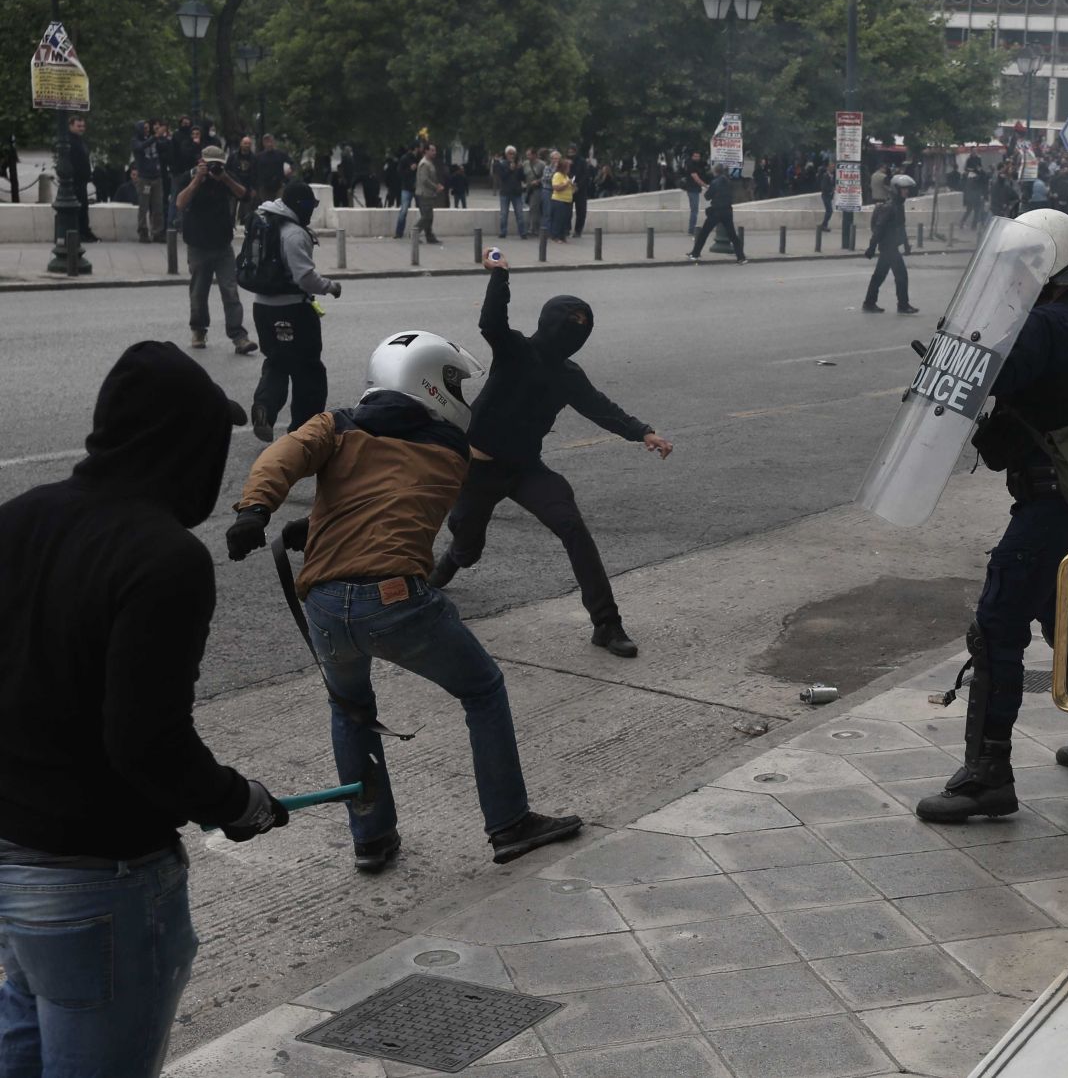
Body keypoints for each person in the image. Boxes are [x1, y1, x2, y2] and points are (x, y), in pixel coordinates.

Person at [0, 342, 290, 1076]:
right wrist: (238, 801)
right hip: (98, 878)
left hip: (10, 856)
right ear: (180, 445)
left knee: (26, 1034)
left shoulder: (16, 519)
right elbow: (145, 742)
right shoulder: (163, 558)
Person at [226, 329, 583, 871]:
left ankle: (371, 838)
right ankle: (510, 823)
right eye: (455, 385)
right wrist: (319, 519)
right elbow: (394, 496)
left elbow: (287, 455)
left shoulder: (336, 426)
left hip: (324, 605)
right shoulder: (448, 452)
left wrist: (257, 510)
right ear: (429, 384)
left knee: (351, 711)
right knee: (483, 689)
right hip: (396, 602)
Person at [915, 211, 1068, 821]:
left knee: (997, 624)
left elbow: (991, 375)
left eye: (1020, 267)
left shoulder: (1041, 325)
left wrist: (957, 348)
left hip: (1052, 497)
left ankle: (989, 774)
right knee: (1064, 611)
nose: (1011, 279)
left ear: (1044, 269)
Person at [429, 253, 675, 659]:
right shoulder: (515, 351)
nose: (574, 331)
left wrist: (644, 433)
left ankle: (607, 624)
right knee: (467, 545)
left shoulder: (569, 376)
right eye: (569, 322)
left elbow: (603, 409)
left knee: (572, 527)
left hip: (525, 470)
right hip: (478, 469)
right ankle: (450, 563)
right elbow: (491, 322)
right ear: (549, 321)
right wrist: (501, 276)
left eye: (582, 326)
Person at [245, 183, 342, 442]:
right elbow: (305, 278)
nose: (311, 211)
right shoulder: (294, 234)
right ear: (301, 206)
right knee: (308, 368)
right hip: (292, 310)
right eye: (310, 206)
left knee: (276, 361)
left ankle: (264, 406)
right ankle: (305, 430)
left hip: (262, 308)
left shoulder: (269, 225)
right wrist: (331, 287)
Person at [177, 144, 258, 355]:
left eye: (218, 165)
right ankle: (198, 330)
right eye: (210, 165)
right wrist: (197, 180)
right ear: (200, 162)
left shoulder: (224, 178)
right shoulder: (190, 176)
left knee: (230, 291)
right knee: (198, 293)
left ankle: (239, 337)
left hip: (223, 246)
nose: (214, 168)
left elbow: (245, 195)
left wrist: (225, 178)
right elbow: (179, 202)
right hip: (198, 245)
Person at [862, 173, 918, 315]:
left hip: (891, 246)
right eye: (903, 189)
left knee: (879, 276)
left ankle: (869, 303)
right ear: (896, 189)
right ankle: (903, 305)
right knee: (901, 276)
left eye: (907, 189)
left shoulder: (899, 206)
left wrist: (906, 245)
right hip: (888, 247)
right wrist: (871, 247)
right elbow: (879, 228)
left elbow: (901, 227)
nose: (906, 191)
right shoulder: (890, 207)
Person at [686, 164, 748, 263]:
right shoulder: (728, 182)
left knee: (704, 233)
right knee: (732, 235)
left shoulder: (715, 182)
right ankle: (741, 257)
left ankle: (695, 254)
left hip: (716, 211)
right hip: (727, 210)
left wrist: (708, 189)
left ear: (715, 171)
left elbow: (707, 196)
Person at [131, 119, 166, 242]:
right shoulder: (136, 140)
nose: (147, 130)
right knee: (143, 206)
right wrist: (155, 136)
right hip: (144, 178)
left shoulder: (153, 139)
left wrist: (163, 136)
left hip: (156, 176)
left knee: (158, 207)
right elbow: (140, 147)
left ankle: (157, 232)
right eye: (144, 128)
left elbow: (164, 147)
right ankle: (143, 231)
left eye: (147, 128)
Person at [66, 115, 98, 242]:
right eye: (78, 126)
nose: (81, 129)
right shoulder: (70, 141)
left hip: (82, 180)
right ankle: (80, 232)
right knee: (79, 208)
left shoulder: (79, 140)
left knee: (83, 207)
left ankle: (85, 231)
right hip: (75, 180)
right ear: (71, 126)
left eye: (83, 126)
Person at [495, 146, 527, 239]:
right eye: (510, 153)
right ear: (506, 154)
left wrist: (520, 169)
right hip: (505, 192)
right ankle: (503, 232)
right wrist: (510, 169)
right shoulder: (502, 164)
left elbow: (522, 178)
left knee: (520, 214)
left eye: (513, 153)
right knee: (504, 214)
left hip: (516, 192)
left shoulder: (518, 165)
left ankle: (522, 232)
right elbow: (502, 177)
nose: (511, 155)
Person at [414, 143, 443, 245]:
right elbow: (424, 180)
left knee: (429, 216)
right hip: (424, 194)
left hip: (429, 194)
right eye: (432, 150)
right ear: (426, 151)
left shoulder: (429, 163)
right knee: (426, 216)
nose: (434, 152)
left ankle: (429, 236)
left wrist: (437, 184)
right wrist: (436, 187)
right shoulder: (424, 164)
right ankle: (415, 233)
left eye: (434, 150)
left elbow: (431, 178)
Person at [228, 134, 258, 225]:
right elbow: (227, 169)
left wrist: (254, 188)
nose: (247, 145)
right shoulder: (233, 156)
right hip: (233, 185)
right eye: (245, 143)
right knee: (231, 210)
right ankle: (230, 225)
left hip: (247, 187)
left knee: (247, 212)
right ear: (241, 144)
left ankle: (246, 229)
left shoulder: (254, 158)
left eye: (249, 143)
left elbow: (257, 174)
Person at [392, 145, 419, 239]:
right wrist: (410, 169)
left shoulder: (419, 158)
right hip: (407, 188)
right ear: (414, 149)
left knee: (421, 210)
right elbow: (399, 172)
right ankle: (398, 232)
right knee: (403, 210)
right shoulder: (405, 158)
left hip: (417, 187)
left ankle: (418, 231)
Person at [549, 157, 574, 242]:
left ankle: (562, 236)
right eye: (568, 167)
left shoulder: (566, 176)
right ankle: (555, 236)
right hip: (559, 200)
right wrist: (566, 184)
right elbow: (556, 187)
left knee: (565, 219)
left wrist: (573, 186)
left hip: (567, 200)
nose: (569, 169)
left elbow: (569, 188)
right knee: (558, 219)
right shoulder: (557, 175)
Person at [683, 150, 708, 235]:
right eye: (695, 156)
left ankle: (692, 228)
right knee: (694, 210)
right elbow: (696, 178)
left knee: (694, 210)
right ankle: (691, 229)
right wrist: (706, 186)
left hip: (693, 189)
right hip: (692, 189)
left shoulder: (694, 164)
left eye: (698, 156)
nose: (697, 158)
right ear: (692, 157)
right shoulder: (691, 165)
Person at [819, 161, 836, 232]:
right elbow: (823, 186)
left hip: (828, 196)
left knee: (829, 211)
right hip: (825, 196)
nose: (833, 168)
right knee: (829, 211)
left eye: (833, 167)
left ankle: (824, 225)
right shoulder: (826, 176)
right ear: (828, 168)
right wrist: (831, 189)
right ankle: (823, 225)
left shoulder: (831, 176)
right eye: (831, 167)